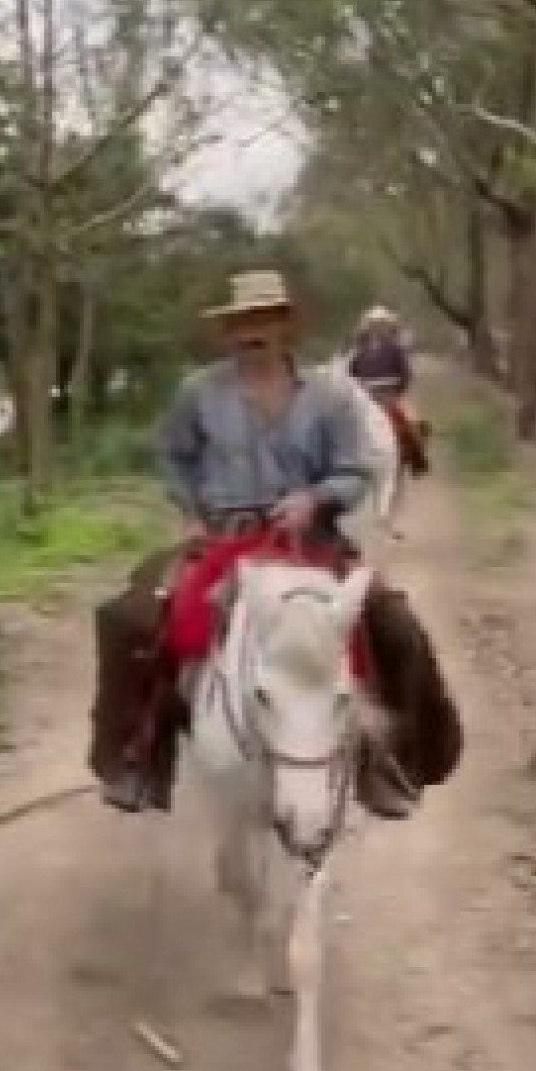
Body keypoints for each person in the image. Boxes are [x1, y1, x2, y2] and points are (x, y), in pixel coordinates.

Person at [88, 268, 461, 816]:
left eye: (264, 321)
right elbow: (172, 455)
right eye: (242, 323)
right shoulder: (198, 393)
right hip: (222, 538)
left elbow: (356, 470)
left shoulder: (330, 395)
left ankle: (388, 761)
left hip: (311, 542)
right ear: (228, 332)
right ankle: (137, 756)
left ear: (285, 327)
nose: (252, 333)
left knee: (396, 627)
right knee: (128, 618)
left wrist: (316, 499)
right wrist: (191, 511)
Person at [347, 304, 429, 477]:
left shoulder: (396, 349)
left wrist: (398, 390)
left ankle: (418, 460)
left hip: (389, 394)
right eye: (374, 324)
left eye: (382, 324)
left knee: (410, 421)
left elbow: (405, 374)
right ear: (367, 327)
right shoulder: (358, 352)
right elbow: (350, 376)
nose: (378, 328)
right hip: (365, 398)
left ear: (388, 327)